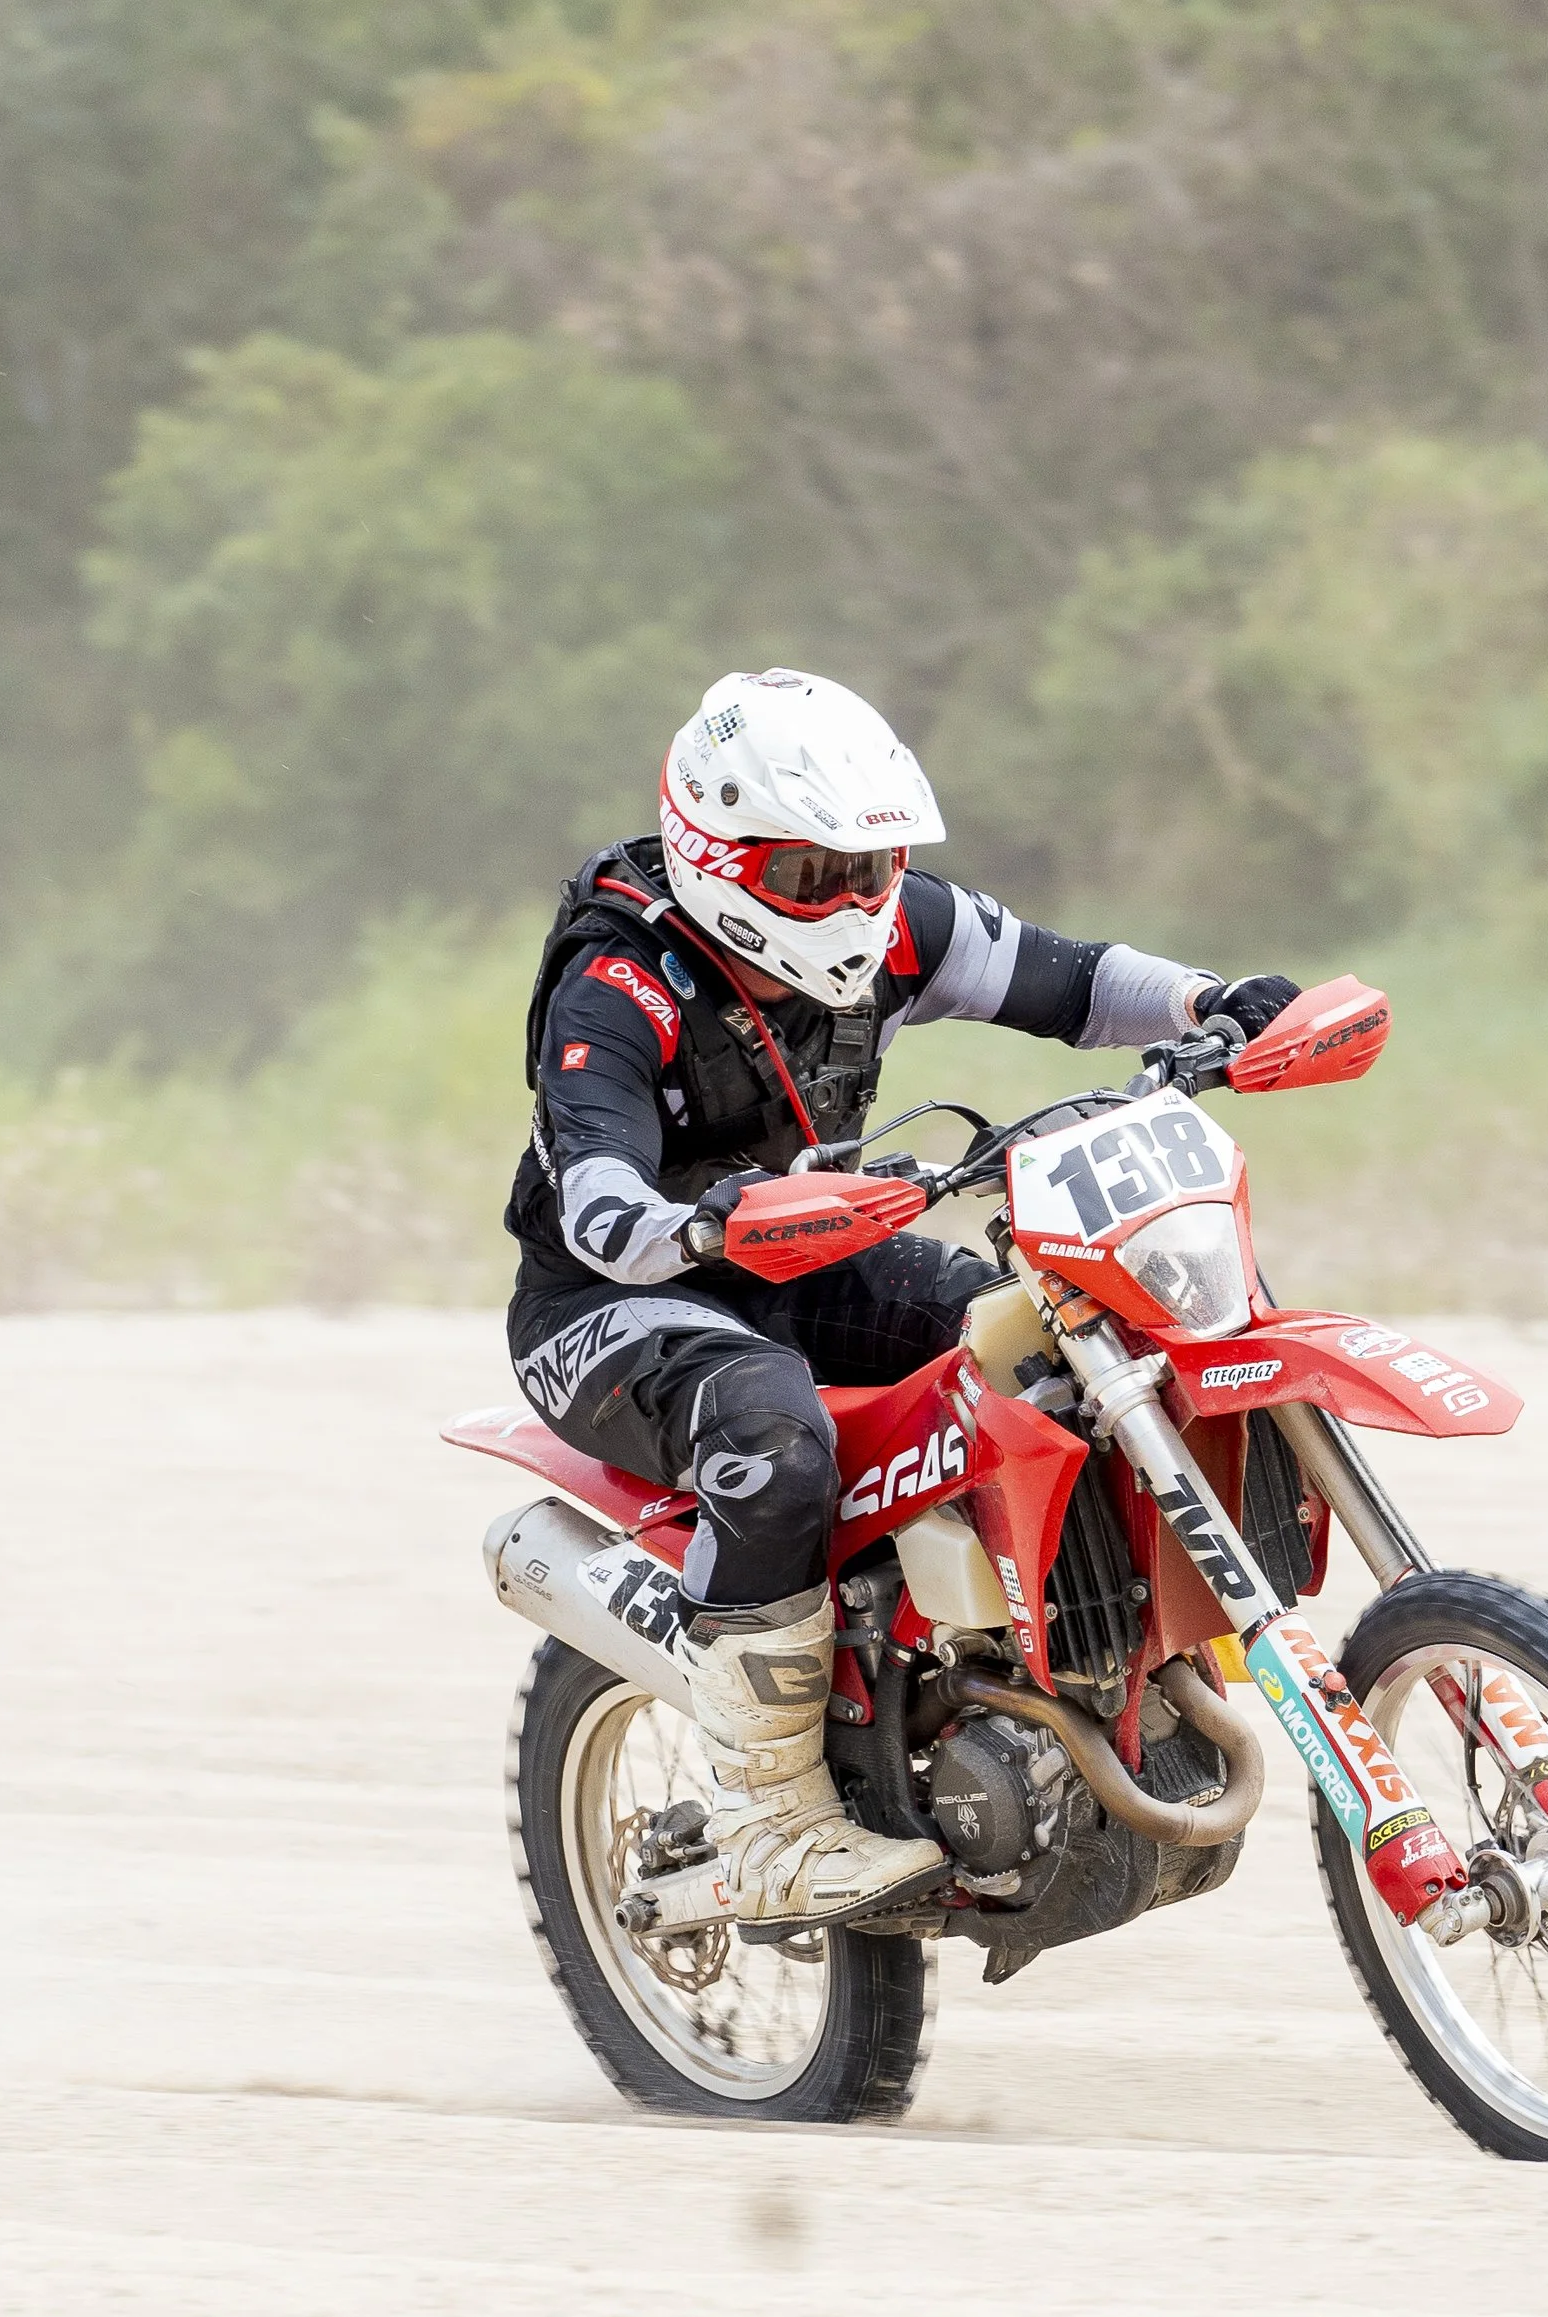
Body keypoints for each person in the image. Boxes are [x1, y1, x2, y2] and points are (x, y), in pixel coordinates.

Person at [505, 666, 1301, 1932]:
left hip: (809, 1254)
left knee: (1039, 1338)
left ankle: (1033, 1672)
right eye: (813, 875)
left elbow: (1076, 980)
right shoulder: (616, 985)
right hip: (607, 1308)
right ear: (717, 853)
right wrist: (716, 1219)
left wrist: (1213, 1000)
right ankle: (770, 1824)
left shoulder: (898, 926)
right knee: (772, 1434)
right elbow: (598, 1202)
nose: (853, 901)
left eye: (870, 867)